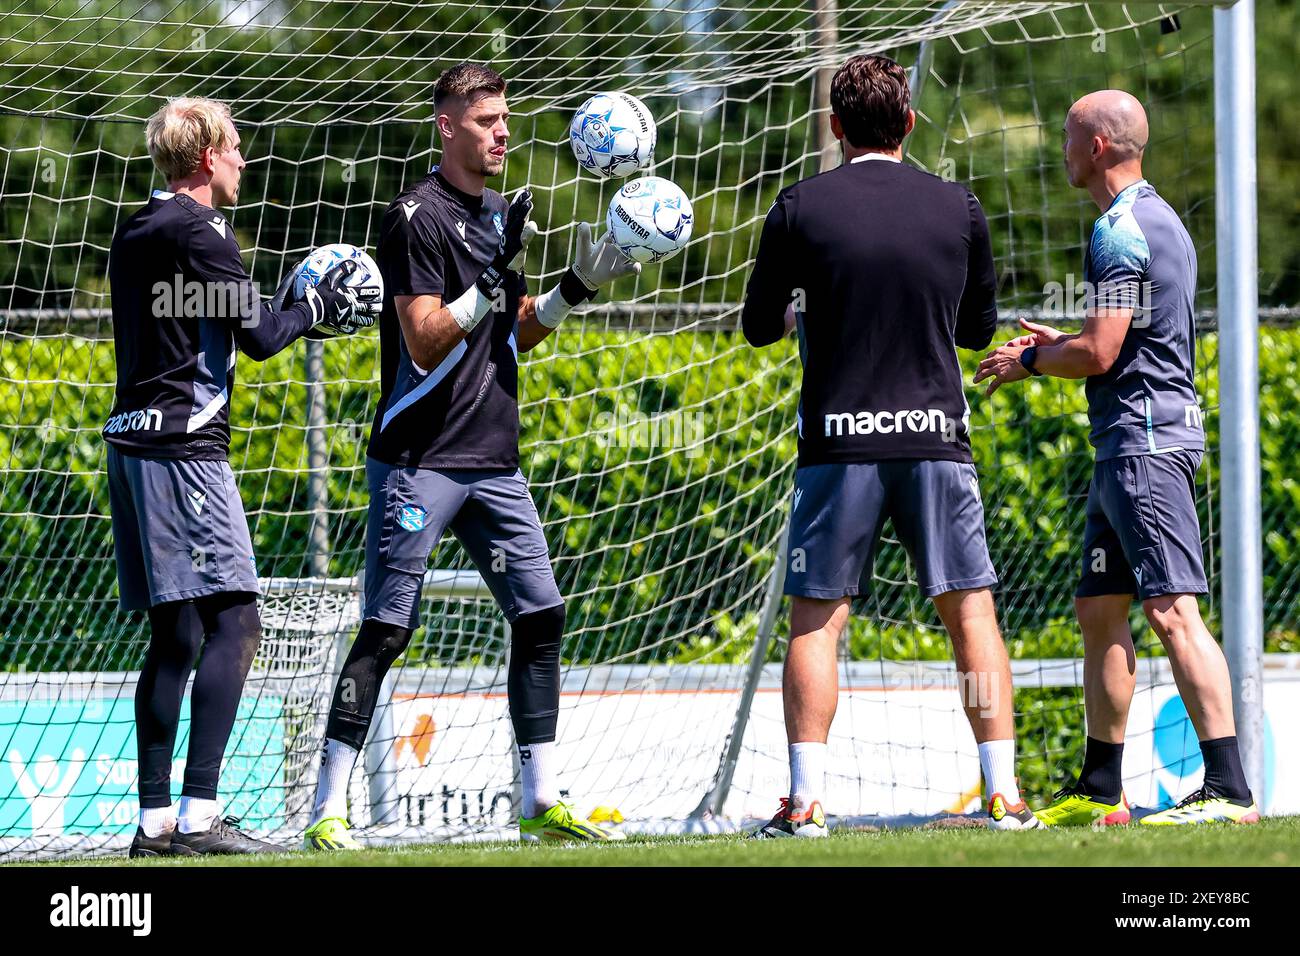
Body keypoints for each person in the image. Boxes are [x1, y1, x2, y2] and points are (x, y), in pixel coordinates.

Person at [303, 63, 640, 849]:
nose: (503, 132)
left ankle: (539, 802)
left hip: (494, 456)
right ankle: (327, 809)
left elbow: (504, 334)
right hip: (420, 458)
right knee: (387, 629)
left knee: (543, 615)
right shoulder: (413, 217)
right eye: (486, 119)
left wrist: (575, 287)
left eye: (506, 118)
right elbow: (424, 340)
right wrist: (490, 281)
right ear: (447, 125)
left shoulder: (498, 212)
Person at [742, 54, 1039, 837]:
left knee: (817, 622)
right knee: (970, 615)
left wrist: (810, 307)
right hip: (938, 439)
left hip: (839, 444)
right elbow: (977, 333)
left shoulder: (800, 206)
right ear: (910, 123)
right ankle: (1004, 795)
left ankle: (807, 803)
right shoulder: (959, 207)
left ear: (835, 128)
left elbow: (754, 327)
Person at [975, 90, 1258, 826]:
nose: (1060, 150)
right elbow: (1118, 337)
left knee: (1171, 612)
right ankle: (1101, 788)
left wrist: (1032, 360)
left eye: (1069, 137)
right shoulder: (1157, 219)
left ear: (1098, 146)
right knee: (1099, 608)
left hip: (1145, 446)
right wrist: (1060, 343)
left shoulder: (1119, 229)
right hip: (1128, 447)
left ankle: (1230, 789)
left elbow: (1099, 354)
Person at [106, 96, 375, 856]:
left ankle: (154, 824)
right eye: (234, 148)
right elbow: (258, 337)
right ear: (205, 158)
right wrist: (313, 303)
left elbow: (205, 313)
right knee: (238, 624)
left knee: (177, 633)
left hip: (129, 445)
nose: (243, 160)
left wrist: (278, 304)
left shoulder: (138, 229)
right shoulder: (203, 233)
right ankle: (199, 818)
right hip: (185, 450)